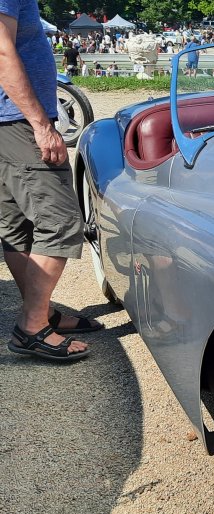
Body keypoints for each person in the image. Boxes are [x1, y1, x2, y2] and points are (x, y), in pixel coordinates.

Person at [1, 0, 102, 361]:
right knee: (60, 221)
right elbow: (1, 48)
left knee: (16, 224)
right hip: (16, 120)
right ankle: (32, 326)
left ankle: (40, 312)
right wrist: (42, 125)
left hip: (5, 122)